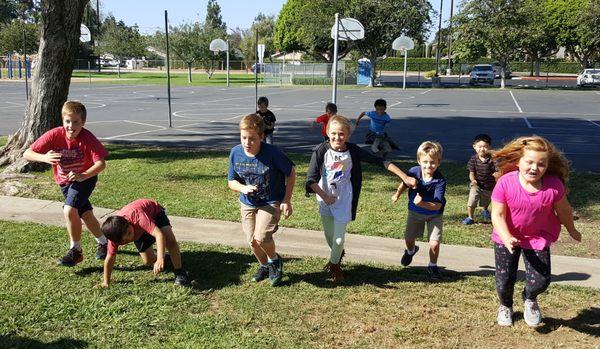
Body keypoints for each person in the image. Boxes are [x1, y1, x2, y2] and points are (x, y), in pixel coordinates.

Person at [306, 115, 417, 282]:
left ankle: (334, 266)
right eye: (334, 133)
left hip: (344, 199)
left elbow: (382, 162)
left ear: (348, 135)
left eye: (342, 134)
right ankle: (337, 253)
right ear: (328, 132)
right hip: (324, 197)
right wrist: (325, 197)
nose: (337, 137)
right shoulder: (321, 150)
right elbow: (310, 180)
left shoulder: (353, 150)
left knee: (338, 238)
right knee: (330, 237)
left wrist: (404, 177)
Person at [490, 136, 581, 327]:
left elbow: (564, 211)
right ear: (518, 161)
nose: (534, 168)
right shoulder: (505, 183)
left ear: (548, 165)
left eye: (541, 164)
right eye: (529, 162)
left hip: (537, 237)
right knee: (505, 279)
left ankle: (529, 298)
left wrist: (572, 229)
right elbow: (497, 214)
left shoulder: (553, 186)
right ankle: (505, 305)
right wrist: (507, 237)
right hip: (506, 237)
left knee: (541, 280)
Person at [24, 101, 109, 266]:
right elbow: (28, 153)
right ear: (63, 121)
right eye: (67, 121)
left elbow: (101, 164)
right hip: (64, 182)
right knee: (85, 214)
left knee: (70, 210)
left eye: (76, 122)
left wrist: (83, 175)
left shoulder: (88, 138)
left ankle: (76, 251)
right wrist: (44, 158)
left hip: (85, 179)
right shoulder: (54, 134)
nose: (71, 126)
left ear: (83, 122)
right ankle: (105, 243)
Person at [228, 113, 296, 286]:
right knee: (252, 241)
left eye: (252, 139)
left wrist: (286, 200)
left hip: (270, 201)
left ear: (262, 136)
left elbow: (291, 172)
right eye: (243, 137)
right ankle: (264, 266)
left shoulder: (273, 153)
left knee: (262, 237)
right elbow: (231, 181)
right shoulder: (236, 153)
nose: (247, 143)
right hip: (247, 202)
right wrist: (243, 188)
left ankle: (275, 260)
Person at [99, 199, 190, 287]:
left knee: (170, 241)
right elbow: (110, 258)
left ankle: (179, 272)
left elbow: (159, 235)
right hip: (139, 230)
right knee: (148, 260)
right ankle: (167, 257)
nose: (130, 238)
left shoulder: (136, 216)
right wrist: (106, 282)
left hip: (155, 214)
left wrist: (159, 259)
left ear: (128, 223)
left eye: (129, 233)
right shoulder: (114, 236)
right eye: (125, 241)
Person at [392, 141, 446, 280]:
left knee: (434, 244)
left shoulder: (440, 181)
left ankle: (432, 266)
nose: (429, 165)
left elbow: (437, 206)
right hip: (415, 213)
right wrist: (397, 194)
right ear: (419, 161)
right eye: (425, 162)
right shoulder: (414, 171)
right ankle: (411, 251)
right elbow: (405, 183)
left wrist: (421, 203)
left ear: (439, 162)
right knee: (409, 239)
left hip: (434, 215)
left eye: (433, 162)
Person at [462, 134, 498, 225]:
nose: (482, 149)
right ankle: (470, 217)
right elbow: (471, 172)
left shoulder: (493, 159)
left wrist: (496, 175)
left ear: (489, 147)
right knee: (472, 200)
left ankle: (485, 210)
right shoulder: (473, 159)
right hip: (476, 185)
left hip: (489, 185)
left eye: (485, 146)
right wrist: (473, 180)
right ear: (474, 147)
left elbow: (497, 171)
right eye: (480, 146)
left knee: (486, 201)